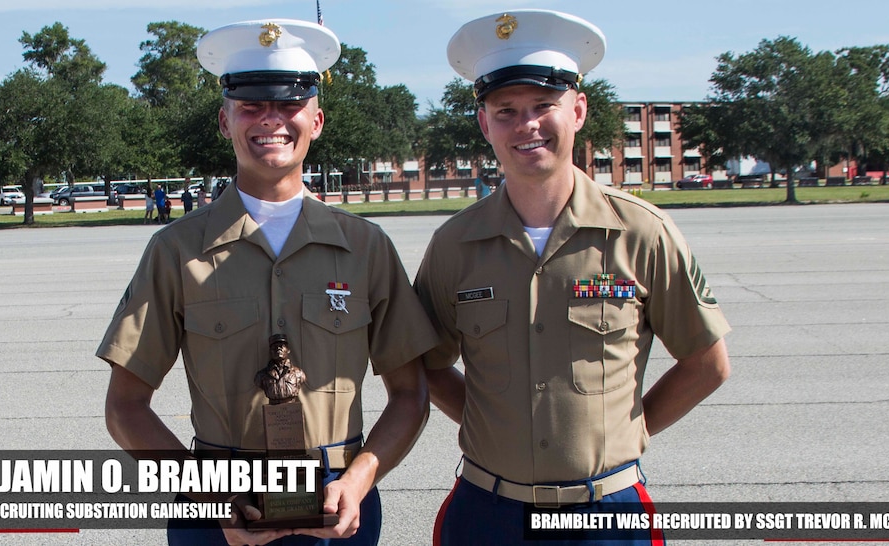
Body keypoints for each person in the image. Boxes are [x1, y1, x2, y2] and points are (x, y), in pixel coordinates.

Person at [98, 17, 437, 546]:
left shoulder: (366, 248)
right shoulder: (177, 250)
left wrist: (361, 475)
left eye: (288, 105)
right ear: (224, 120)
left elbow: (410, 392)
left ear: (317, 120)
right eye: (251, 106)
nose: (270, 120)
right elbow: (124, 405)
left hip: (336, 498)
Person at [413, 10, 732, 545]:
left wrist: (629, 430)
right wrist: (493, 424)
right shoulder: (454, 245)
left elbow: (707, 364)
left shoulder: (642, 232)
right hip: (488, 512)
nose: (527, 125)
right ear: (484, 124)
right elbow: (426, 363)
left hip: (606, 513)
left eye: (544, 106)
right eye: (506, 111)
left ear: (578, 110)